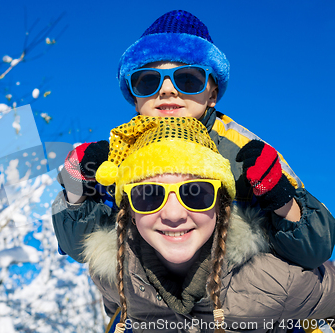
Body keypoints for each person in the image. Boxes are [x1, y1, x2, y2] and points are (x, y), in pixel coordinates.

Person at [52, 10, 335, 271]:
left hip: (238, 299)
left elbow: (315, 249)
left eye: (187, 80)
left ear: (211, 94)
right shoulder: (117, 153)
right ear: (135, 97)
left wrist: (279, 197)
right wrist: (75, 186)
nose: (167, 90)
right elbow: (81, 246)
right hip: (150, 301)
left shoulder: (242, 150)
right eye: (148, 81)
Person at [82, 116, 335, 333]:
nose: (173, 214)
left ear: (220, 205)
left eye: (195, 193)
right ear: (129, 212)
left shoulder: (270, 281)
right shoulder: (115, 276)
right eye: (148, 195)